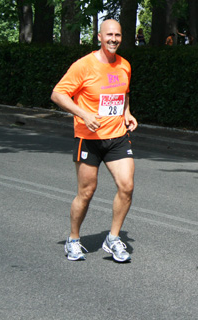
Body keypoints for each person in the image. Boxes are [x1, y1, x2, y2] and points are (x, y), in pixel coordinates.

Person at [51, 19, 137, 263]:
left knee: (127, 186)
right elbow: (58, 94)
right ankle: (73, 239)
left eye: (118, 35)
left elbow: (123, 93)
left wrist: (127, 113)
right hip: (88, 138)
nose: (113, 39)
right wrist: (84, 114)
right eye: (109, 34)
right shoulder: (83, 66)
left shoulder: (124, 65)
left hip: (117, 136)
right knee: (86, 192)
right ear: (99, 37)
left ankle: (112, 238)